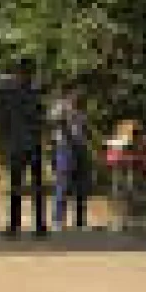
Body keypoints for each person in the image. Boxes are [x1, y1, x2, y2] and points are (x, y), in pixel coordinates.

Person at [0, 58, 49, 237]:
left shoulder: (10, 94)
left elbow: (3, 119)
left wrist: (4, 141)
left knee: (16, 186)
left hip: (17, 144)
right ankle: (40, 225)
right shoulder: (36, 94)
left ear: (18, 73)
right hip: (33, 144)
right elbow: (41, 119)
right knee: (37, 186)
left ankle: (14, 226)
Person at [49, 83, 90, 231]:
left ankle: (80, 221)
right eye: (75, 92)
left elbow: (84, 128)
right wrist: (65, 111)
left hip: (80, 148)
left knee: (81, 186)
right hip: (65, 148)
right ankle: (58, 220)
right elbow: (53, 121)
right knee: (63, 184)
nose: (78, 95)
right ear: (69, 92)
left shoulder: (80, 109)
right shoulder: (60, 106)